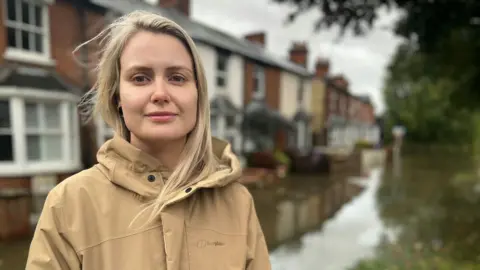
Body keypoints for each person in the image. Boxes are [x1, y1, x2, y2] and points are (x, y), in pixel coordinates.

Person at [26, 10, 271, 270]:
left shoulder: (238, 202)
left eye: (177, 78)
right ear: (117, 96)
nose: (160, 93)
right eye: (140, 78)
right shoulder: (70, 203)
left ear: (197, 94)